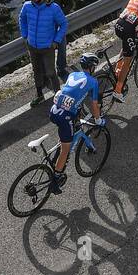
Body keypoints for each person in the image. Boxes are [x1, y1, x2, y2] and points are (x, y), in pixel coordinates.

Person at [48, 53, 105, 191]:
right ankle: (55, 180)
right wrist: (98, 120)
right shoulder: (93, 82)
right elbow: (94, 104)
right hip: (65, 116)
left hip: (54, 110)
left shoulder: (72, 75)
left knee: (67, 134)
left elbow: (71, 92)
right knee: (66, 150)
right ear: (91, 67)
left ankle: (57, 157)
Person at [19, 0, 67, 105]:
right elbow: (22, 19)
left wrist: (56, 41)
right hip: (32, 46)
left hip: (47, 47)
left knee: (51, 72)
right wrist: (25, 36)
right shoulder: (27, 6)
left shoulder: (54, 8)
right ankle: (39, 95)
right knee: (36, 71)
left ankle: (58, 96)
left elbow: (64, 24)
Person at [38, 0, 73, 80]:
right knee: (45, 50)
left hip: (57, 26)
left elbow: (69, 3)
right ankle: (47, 73)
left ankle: (61, 69)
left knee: (61, 46)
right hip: (43, 26)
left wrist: (60, 14)